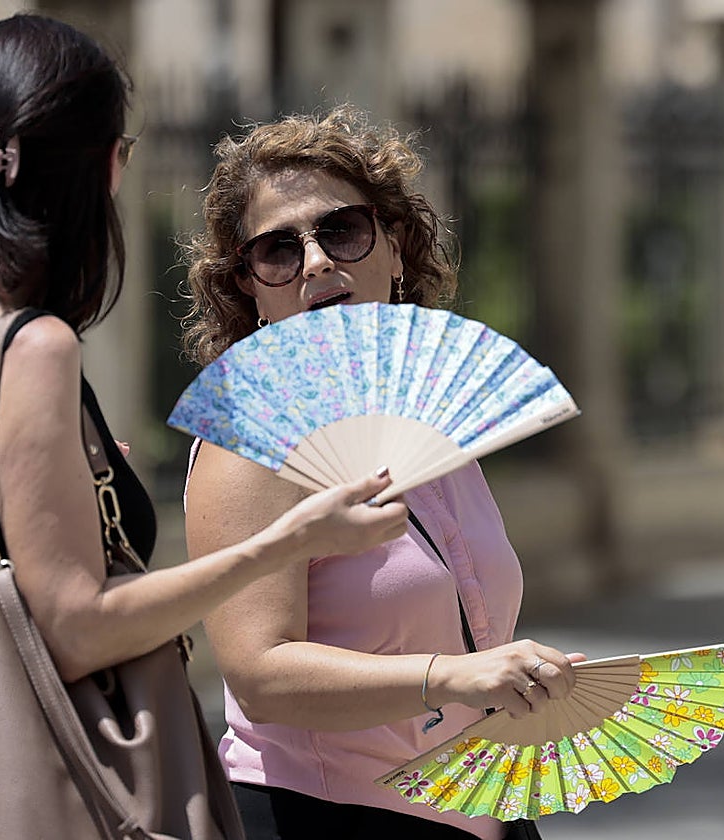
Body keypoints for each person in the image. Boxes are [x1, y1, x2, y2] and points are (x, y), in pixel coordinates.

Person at [0, 19, 407, 839]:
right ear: (103, 165)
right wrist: (285, 542)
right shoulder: (31, 345)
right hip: (39, 777)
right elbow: (76, 630)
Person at [180, 106, 585, 840]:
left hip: (486, 810)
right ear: (249, 287)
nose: (315, 262)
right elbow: (260, 674)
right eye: (277, 250)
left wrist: (519, 681)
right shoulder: (253, 432)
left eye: (341, 230)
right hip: (324, 818)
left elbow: (469, 635)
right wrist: (450, 677)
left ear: (396, 248)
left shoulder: (429, 416)